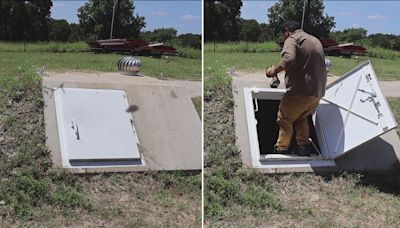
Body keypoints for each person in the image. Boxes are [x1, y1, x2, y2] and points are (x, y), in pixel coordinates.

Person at [265, 20, 327, 156]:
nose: (283, 38)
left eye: (283, 35)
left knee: (284, 118)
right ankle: (303, 147)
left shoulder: (292, 39)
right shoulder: (314, 39)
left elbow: (289, 59)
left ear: (286, 31)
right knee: (300, 118)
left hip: (301, 91)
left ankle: (281, 149)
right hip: (318, 92)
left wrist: (274, 71)